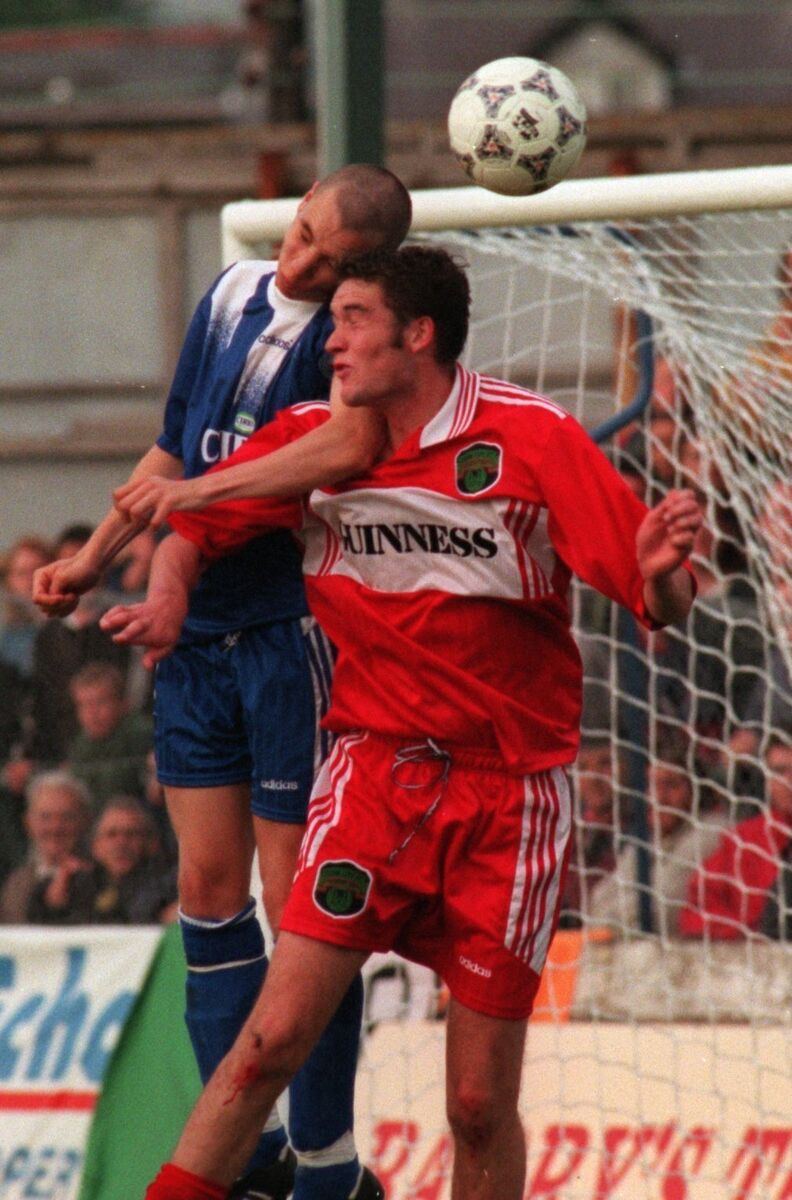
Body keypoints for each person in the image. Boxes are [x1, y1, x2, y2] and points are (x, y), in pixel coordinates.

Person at [100, 244, 701, 1200]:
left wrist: (664, 566)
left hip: (510, 798)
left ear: (417, 335)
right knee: (270, 1041)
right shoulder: (312, 442)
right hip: (372, 776)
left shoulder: (533, 439)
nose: (329, 342)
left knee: (474, 1103)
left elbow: (657, 601)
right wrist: (168, 594)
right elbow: (192, 530)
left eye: (352, 320)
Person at [33, 164, 412, 1200]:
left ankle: (329, 1162)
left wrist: (192, 505)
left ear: (361, 273)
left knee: (301, 911)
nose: (299, 261)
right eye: (299, 236)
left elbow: (341, 444)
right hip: (191, 630)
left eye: (328, 260)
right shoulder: (231, 291)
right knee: (206, 887)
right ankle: (241, 1155)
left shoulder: (349, 348)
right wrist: (96, 552)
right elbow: (171, 445)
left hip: (287, 629)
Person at [584, 737, 727, 939]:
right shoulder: (649, 837)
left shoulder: (713, 832)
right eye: (650, 786)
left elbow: (660, 909)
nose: (658, 797)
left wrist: (607, 923)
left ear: (695, 789)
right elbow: (599, 899)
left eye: (670, 785)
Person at [680, 733, 792, 939]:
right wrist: (744, 939)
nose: (788, 781)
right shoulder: (746, 838)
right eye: (779, 771)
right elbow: (698, 907)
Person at [26, 794, 178, 925]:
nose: (121, 843)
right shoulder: (82, 882)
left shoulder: (166, 882)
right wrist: (54, 900)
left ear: (151, 843)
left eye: (132, 834)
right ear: (95, 847)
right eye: (111, 834)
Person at [0, 770, 91, 923]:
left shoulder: (101, 877)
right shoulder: (16, 883)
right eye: (45, 817)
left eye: (66, 817)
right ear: (28, 823)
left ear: (85, 820)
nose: (55, 828)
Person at [67, 661, 153, 810]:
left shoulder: (142, 734)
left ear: (123, 703)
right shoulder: (81, 744)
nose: (92, 713)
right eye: (84, 705)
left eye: (100, 702)